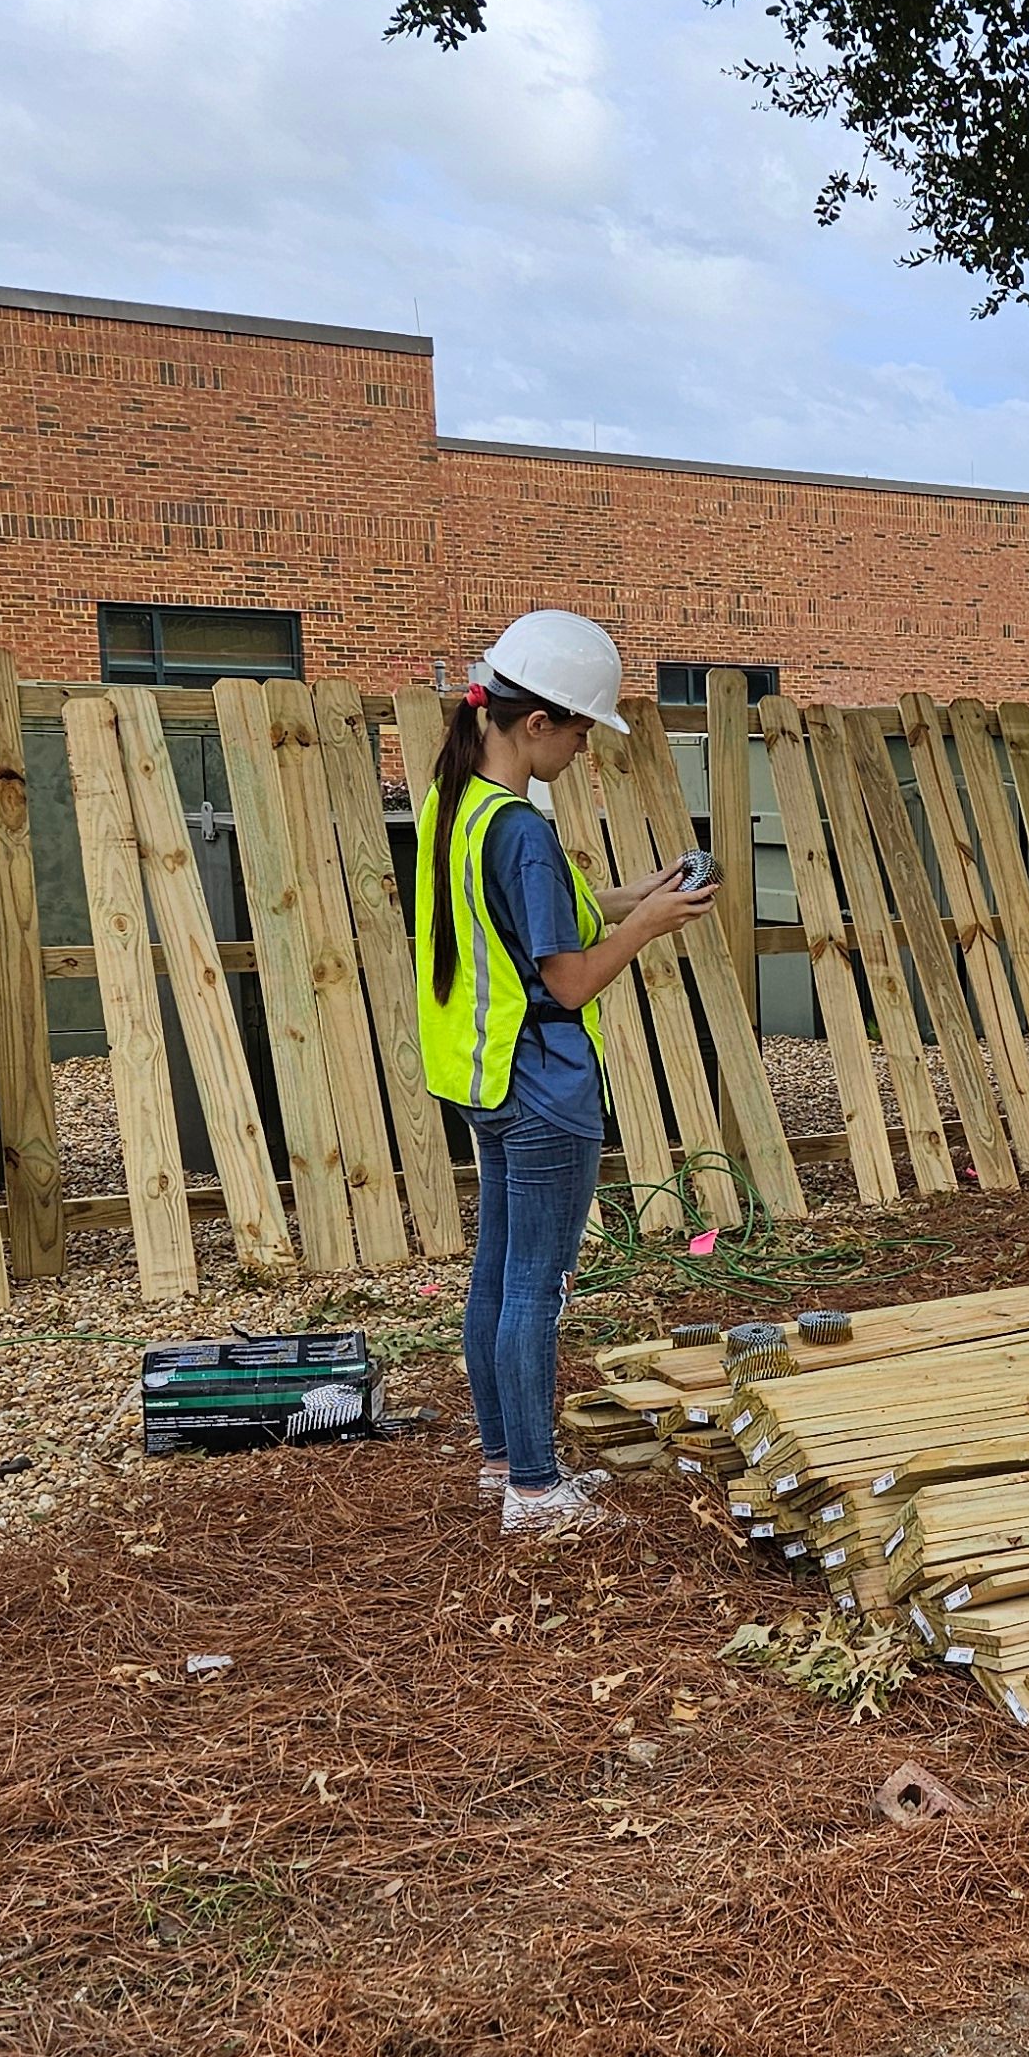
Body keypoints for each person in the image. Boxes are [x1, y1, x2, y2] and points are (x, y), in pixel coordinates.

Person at [415, 608, 718, 1537]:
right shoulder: (522, 831)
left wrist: (642, 893)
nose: (587, 745)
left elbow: (552, 917)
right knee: (534, 1289)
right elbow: (574, 974)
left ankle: (503, 1465)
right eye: (583, 726)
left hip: (482, 1075)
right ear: (536, 722)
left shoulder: (457, 803)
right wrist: (647, 929)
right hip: (544, 1085)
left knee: (497, 1278)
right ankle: (538, 1495)